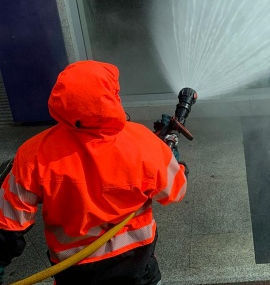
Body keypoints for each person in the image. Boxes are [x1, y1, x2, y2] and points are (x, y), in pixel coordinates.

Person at [0, 60, 188, 284]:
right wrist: (178, 166)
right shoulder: (143, 142)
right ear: (111, 97)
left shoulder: (32, 153)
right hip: (136, 269)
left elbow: (8, 225)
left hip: (74, 273)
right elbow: (174, 192)